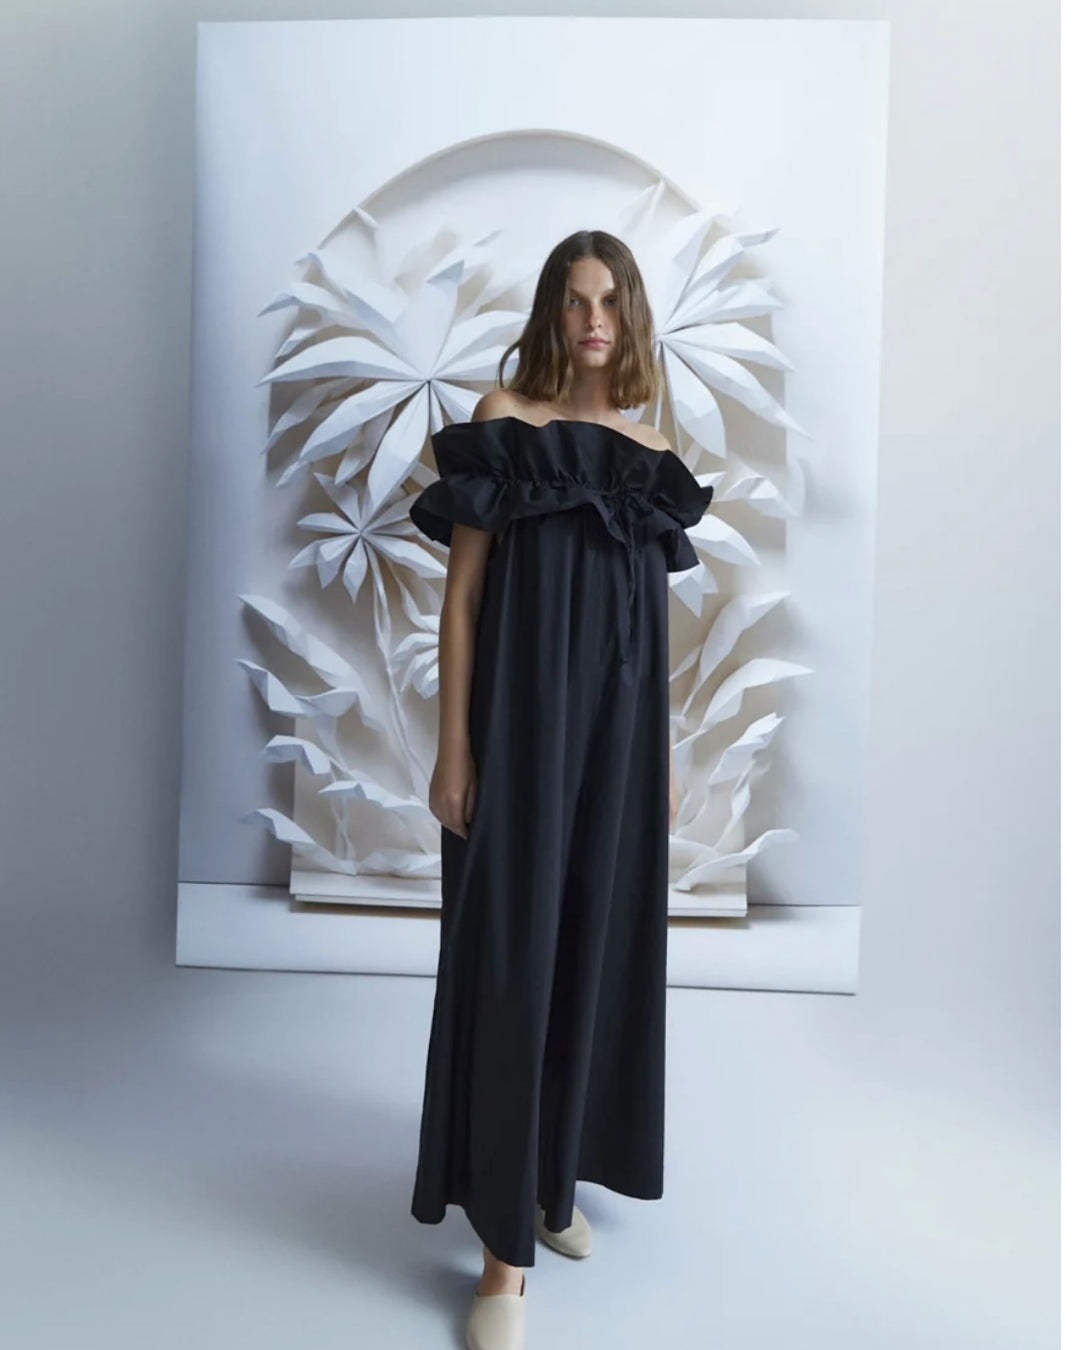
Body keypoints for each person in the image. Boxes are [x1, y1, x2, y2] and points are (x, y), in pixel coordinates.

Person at [408, 229, 713, 1350]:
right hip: (520, 735)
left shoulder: (649, 451)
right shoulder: (504, 423)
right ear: (553, 311)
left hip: (620, 745)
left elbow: (652, 627)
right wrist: (454, 750)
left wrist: (663, 759)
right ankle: (501, 1264)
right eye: (577, 300)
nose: (594, 320)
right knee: (514, 965)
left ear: (631, 318)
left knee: (594, 951)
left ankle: (553, 1182)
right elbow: (462, 601)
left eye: (612, 302)